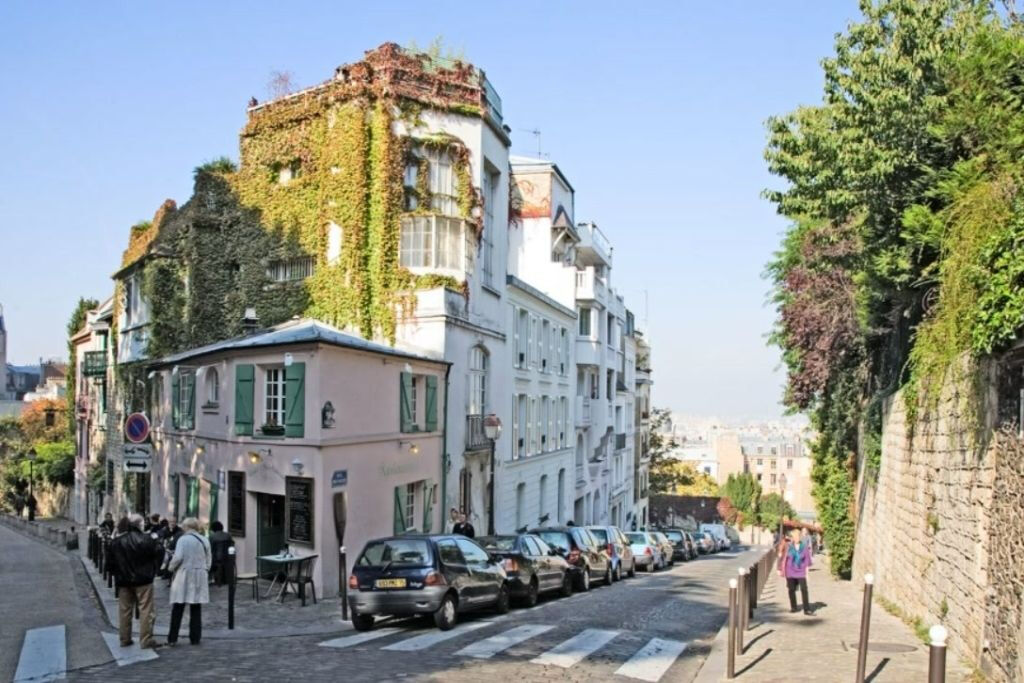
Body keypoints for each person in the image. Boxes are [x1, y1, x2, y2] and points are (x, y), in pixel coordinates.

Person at [106, 513, 163, 648]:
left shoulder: (117, 542)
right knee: (146, 610)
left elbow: (109, 563)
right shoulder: (147, 540)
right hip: (143, 579)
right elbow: (159, 552)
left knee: (124, 610)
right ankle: (145, 639)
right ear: (140, 525)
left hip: (124, 580)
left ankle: (124, 638)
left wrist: (117, 574)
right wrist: (154, 569)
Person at [167, 517, 211, 646]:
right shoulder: (204, 540)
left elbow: (178, 557)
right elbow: (209, 560)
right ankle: (195, 638)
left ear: (186, 527)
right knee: (196, 607)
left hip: (184, 574)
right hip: (199, 575)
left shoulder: (183, 539)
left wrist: (170, 568)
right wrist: (203, 570)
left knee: (178, 607)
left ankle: (172, 638)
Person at [778, 529, 813, 615]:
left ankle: (806, 609)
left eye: (798, 536)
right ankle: (793, 607)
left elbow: (807, 561)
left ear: (800, 537)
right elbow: (782, 557)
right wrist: (779, 569)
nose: (796, 538)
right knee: (791, 589)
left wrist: (807, 574)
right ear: (792, 538)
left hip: (801, 571)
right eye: (794, 537)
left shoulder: (804, 547)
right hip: (790, 570)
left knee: (804, 589)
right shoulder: (788, 546)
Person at [207, 521, 234, 586]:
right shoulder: (228, 535)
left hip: (216, 559)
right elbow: (232, 546)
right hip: (227, 559)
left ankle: (214, 581)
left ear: (213, 528)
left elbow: (210, 549)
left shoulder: (211, 537)